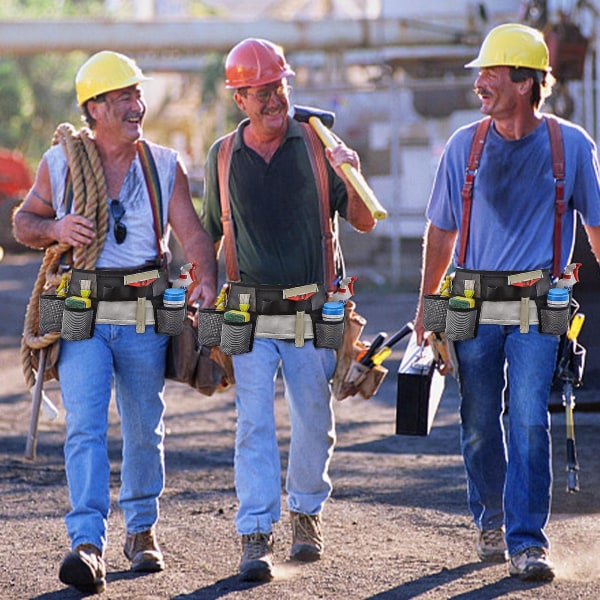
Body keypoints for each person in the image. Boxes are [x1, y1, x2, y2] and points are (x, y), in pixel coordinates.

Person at [13, 50, 217, 594]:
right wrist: (56, 228)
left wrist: (206, 279)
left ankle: (143, 529)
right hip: (80, 312)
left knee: (145, 423)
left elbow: (192, 233)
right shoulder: (60, 164)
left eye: (138, 95)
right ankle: (87, 542)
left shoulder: (163, 164)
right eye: (125, 97)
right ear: (95, 107)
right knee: (84, 426)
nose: (138, 105)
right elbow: (22, 223)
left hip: (144, 312)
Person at [414, 23, 600, 582]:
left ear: (524, 82)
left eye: (490, 73)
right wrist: (426, 308)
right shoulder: (462, 147)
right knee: (476, 422)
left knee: (526, 420)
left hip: (538, 308)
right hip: (469, 306)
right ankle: (491, 519)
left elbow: (596, 228)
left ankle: (526, 541)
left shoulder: (571, 145)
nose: (480, 83)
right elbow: (440, 233)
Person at [201, 37, 375, 582]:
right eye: (261, 92)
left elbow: (367, 220)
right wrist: (201, 294)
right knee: (253, 424)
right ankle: (255, 531)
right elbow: (206, 235)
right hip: (248, 314)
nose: (275, 99)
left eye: (280, 87)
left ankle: (305, 514)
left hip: (313, 311)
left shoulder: (320, 142)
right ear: (239, 99)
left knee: (313, 418)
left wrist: (351, 170)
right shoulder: (222, 156)